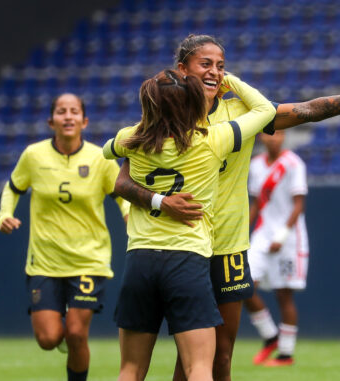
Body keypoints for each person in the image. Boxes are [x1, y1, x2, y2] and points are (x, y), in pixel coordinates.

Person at [112, 34, 340, 379]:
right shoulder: (162, 116)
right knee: (191, 359)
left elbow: (307, 110)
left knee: (219, 357)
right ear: (182, 69)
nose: (215, 73)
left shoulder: (240, 112)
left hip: (226, 245)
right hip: (177, 246)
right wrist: (163, 203)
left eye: (221, 66)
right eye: (205, 64)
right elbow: (122, 182)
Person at [102, 69, 276, 381]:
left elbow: (107, 150)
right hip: (186, 260)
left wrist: (150, 118)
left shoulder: (132, 140)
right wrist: (229, 79)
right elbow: (266, 110)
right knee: (199, 367)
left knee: (130, 370)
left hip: (140, 260)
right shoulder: (212, 141)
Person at [0, 93, 130, 381]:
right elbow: (13, 187)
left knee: (76, 334)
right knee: (48, 339)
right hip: (45, 261)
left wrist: (129, 215)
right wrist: (4, 214)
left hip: (88, 259)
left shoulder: (100, 157)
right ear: (51, 120)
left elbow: (122, 195)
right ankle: (61, 324)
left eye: (73, 111)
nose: (67, 116)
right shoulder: (33, 155)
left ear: (84, 120)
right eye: (61, 111)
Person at [243, 130, 307, 367]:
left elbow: (299, 204)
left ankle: (285, 354)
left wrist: (282, 234)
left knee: (284, 295)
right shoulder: (256, 165)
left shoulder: (293, 163)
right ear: (262, 137)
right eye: (269, 134)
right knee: (243, 285)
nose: (273, 138)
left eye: (278, 134)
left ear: (284, 137)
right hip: (262, 234)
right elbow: (256, 203)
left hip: (289, 238)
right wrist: (243, 231)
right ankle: (270, 336)